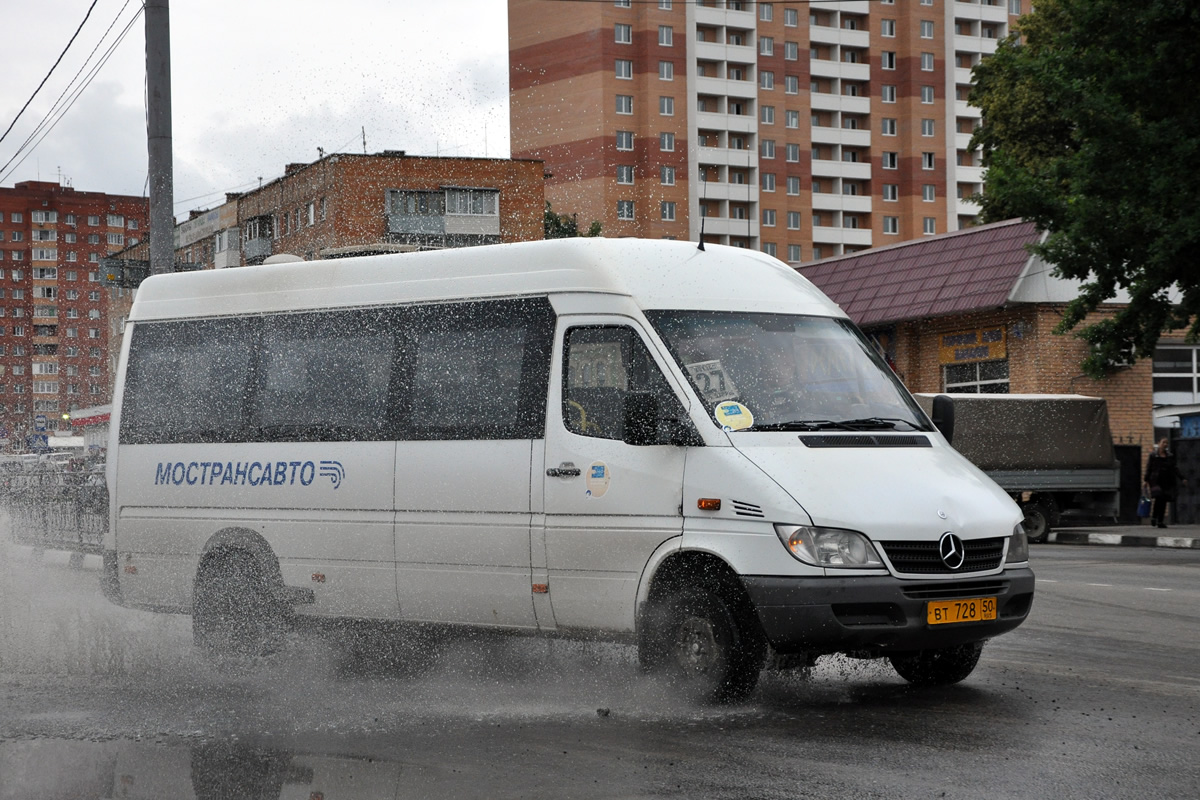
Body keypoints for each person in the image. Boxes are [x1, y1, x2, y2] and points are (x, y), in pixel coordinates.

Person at [1143, 438, 1177, 528]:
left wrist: (1182, 478)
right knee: (1159, 497)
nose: (1165, 444)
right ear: (1159, 443)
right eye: (1163, 442)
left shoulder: (1169, 456)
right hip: (1155, 481)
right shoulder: (1153, 455)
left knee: (1163, 500)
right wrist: (1145, 480)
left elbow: (1174, 468)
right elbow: (1149, 467)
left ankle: (1159, 520)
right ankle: (1155, 518)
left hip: (1166, 481)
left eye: (1167, 443)